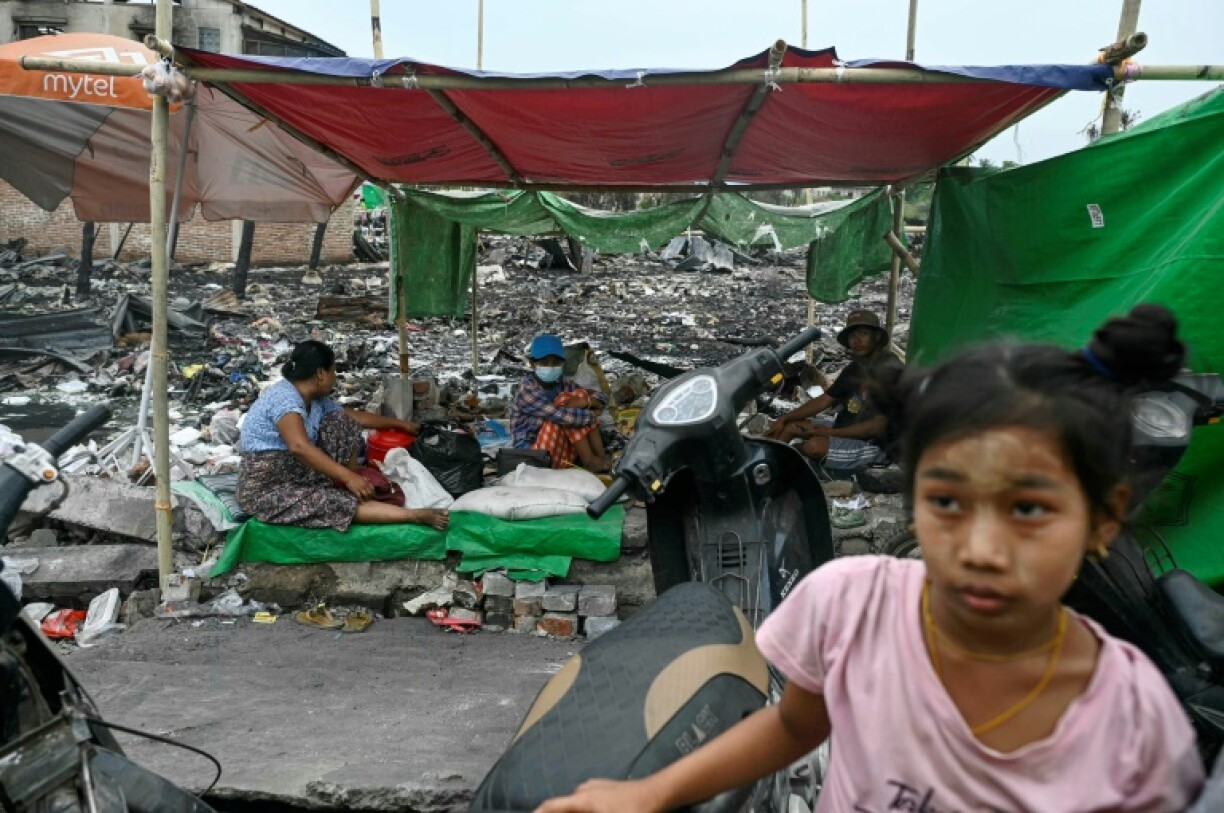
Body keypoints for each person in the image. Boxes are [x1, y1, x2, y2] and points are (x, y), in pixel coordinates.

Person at [535, 304, 1203, 813]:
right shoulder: (850, 604)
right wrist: (651, 792)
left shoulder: (1137, 721)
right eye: (947, 500)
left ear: (1104, 518)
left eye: (1027, 509)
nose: (979, 548)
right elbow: (794, 724)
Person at [238, 340, 448, 531]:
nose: (335, 378)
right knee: (333, 502)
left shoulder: (314, 399)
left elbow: (352, 417)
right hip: (267, 488)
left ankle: (347, 482)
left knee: (341, 421)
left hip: (297, 471)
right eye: (333, 372)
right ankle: (414, 516)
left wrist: (402, 425)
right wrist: (349, 478)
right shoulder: (285, 399)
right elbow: (298, 447)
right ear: (321, 374)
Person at [766, 309, 903, 470]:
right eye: (853, 336)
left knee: (814, 446)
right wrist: (784, 418)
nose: (857, 340)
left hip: (876, 445)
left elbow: (877, 426)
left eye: (863, 333)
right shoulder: (856, 367)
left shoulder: (890, 370)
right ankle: (767, 469)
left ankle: (783, 466)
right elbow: (824, 400)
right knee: (789, 426)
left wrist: (829, 434)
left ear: (877, 337)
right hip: (846, 428)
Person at [511, 333, 613, 473]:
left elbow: (601, 396)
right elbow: (563, 417)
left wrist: (586, 401)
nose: (551, 367)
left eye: (555, 363)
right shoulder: (527, 389)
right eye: (545, 362)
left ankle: (600, 457)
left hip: (558, 449)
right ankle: (589, 460)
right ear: (533, 363)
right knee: (565, 404)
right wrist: (592, 412)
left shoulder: (561, 382)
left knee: (578, 396)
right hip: (533, 454)